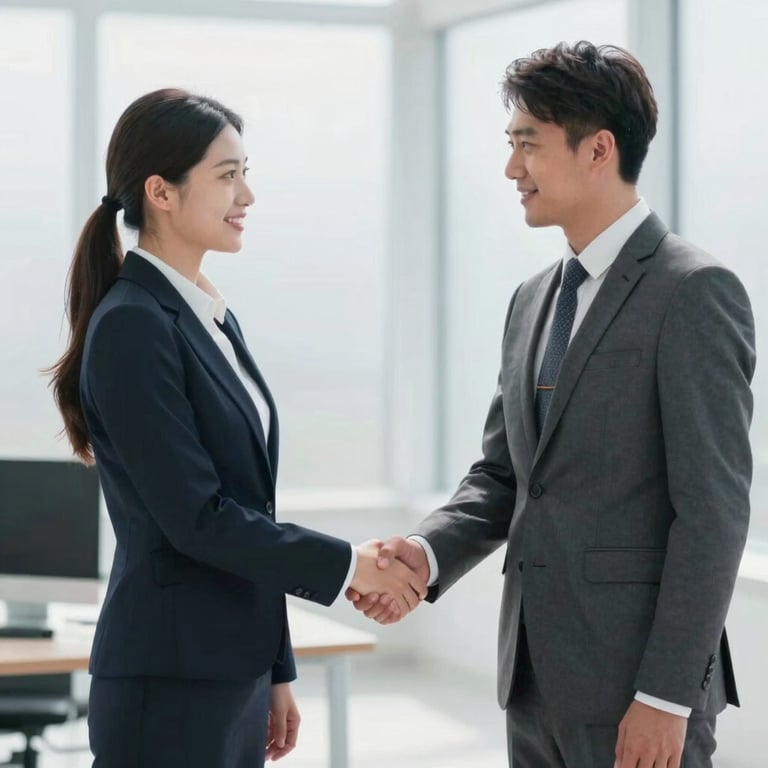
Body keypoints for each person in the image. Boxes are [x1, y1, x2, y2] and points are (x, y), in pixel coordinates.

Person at [348, 41, 756, 768]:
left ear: (599, 149)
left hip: (637, 693)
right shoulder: (532, 299)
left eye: (527, 145)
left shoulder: (694, 292)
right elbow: (506, 476)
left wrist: (664, 698)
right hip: (533, 683)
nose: (512, 169)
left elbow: (714, 512)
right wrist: (427, 551)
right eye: (512, 145)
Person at [48, 88, 426, 768]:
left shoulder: (207, 316)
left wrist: (273, 667)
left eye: (245, 172)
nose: (246, 195)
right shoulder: (134, 325)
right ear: (161, 192)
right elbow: (197, 518)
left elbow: (250, 507)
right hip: (168, 683)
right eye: (227, 176)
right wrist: (349, 566)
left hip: (229, 672)